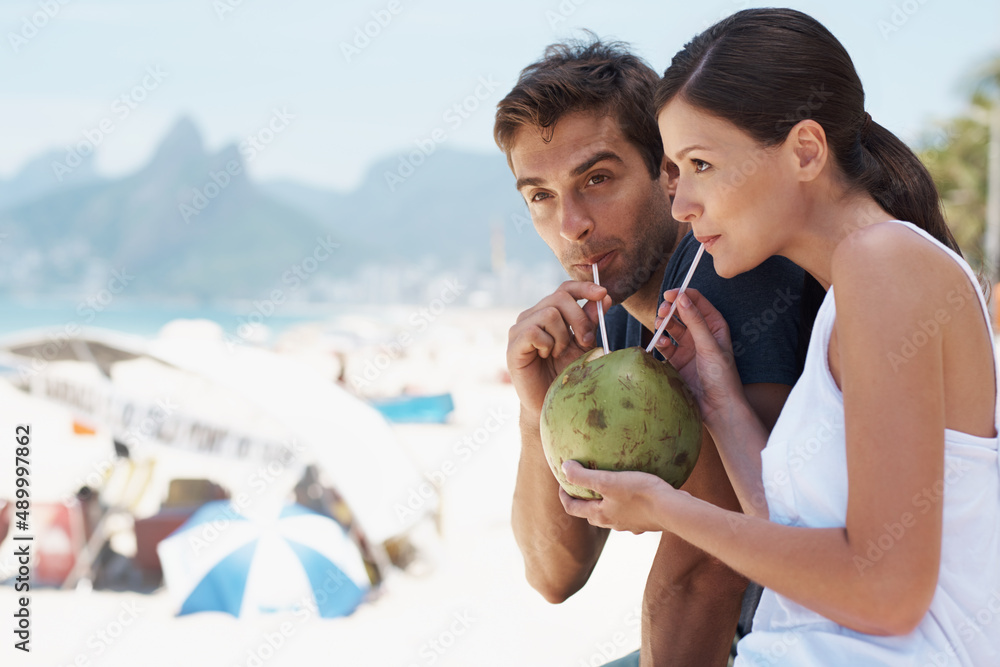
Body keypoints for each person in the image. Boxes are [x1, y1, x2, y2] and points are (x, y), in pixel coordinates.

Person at [560, 9, 1000, 666]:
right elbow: (807, 552)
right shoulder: (859, 283)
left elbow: (885, 593)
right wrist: (719, 397)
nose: (682, 206)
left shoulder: (884, 265)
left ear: (804, 151)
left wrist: (667, 508)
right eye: (675, 171)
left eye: (702, 164)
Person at [495, 37, 819, 665]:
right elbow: (554, 574)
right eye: (541, 195)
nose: (572, 225)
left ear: (665, 172)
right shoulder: (613, 320)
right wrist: (538, 413)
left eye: (597, 178)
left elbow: (705, 574)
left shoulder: (726, 277)